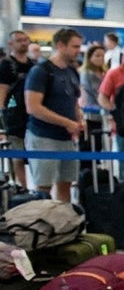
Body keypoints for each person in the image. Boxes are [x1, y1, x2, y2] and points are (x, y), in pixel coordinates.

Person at [23, 28, 84, 201]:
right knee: (44, 187)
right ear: (60, 45)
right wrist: (66, 122)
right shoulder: (41, 72)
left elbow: (74, 101)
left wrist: (78, 119)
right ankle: (44, 225)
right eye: (74, 46)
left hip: (67, 138)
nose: (78, 50)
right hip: (43, 137)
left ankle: (63, 223)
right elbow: (33, 107)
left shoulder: (71, 72)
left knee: (66, 183)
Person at [0, 30, 35, 187]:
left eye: (25, 40)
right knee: (18, 156)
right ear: (11, 44)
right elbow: (2, 91)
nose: (23, 43)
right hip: (14, 116)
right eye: (19, 40)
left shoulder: (33, 65)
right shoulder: (6, 65)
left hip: (32, 116)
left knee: (34, 155)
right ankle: (22, 187)